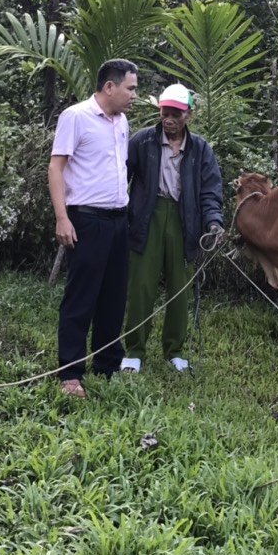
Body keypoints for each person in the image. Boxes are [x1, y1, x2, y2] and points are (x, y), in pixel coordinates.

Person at [48, 59, 139, 398]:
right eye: (130, 88)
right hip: (86, 219)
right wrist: (62, 217)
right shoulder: (76, 117)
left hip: (118, 220)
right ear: (109, 87)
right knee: (81, 297)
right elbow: (56, 168)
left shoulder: (122, 121)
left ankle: (107, 364)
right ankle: (70, 373)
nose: (134, 96)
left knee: (114, 297)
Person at [122, 83, 225, 374]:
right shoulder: (142, 141)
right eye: (165, 112)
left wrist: (214, 221)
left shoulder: (200, 148)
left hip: (184, 218)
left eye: (176, 114)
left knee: (180, 288)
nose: (169, 119)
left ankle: (174, 350)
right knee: (142, 285)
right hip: (148, 215)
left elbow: (210, 190)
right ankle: (134, 350)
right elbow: (122, 178)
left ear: (188, 115)